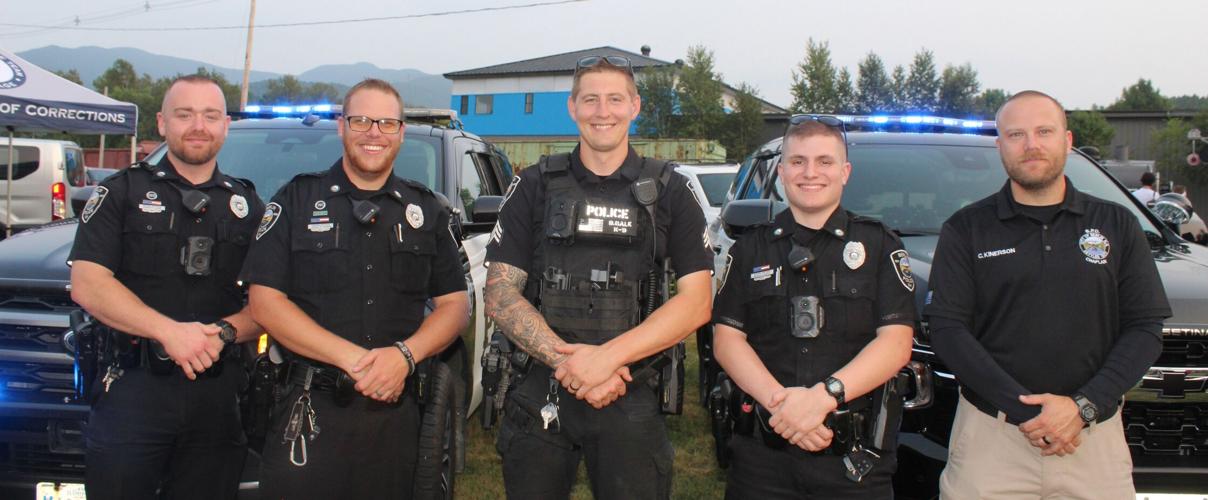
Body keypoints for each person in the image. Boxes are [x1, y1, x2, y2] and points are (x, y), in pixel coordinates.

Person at [483, 55, 713, 499]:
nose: (602, 111)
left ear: (635, 106)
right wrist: (571, 364)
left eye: (614, 99)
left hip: (631, 393)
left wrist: (608, 360)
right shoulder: (532, 184)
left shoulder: (672, 190)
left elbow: (697, 301)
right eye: (590, 99)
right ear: (572, 107)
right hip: (540, 394)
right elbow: (499, 293)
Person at [925, 90, 1172, 499]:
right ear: (1000, 145)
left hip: (1092, 442)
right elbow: (948, 332)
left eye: (1044, 131)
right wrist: (1030, 414)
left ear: (1068, 140)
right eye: (1017, 134)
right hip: (992, 442)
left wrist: (1083, 407)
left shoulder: (1116, 223)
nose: (1031, 144)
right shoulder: (966, 229)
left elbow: (1145, 328)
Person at [241, 78, 469, 498]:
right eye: (361, 120)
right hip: (307, 411)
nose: (373, 133)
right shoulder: (296, 200)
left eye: (386, 123)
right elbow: (265, 302)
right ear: (341, 127)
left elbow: (455, 304)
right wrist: (354, 360)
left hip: (394, 415)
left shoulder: (425, 211)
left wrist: (406, 355)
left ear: (400, 132)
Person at [69, 74, 264, 500]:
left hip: (219, 396)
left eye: (211, 115)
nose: (198, 125)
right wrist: (169, 332)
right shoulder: (120, 193)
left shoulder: (249, 207)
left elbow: (270, 302)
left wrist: (225, 332)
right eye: (185, 114)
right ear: (161, 123)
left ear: (225, 125)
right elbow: (87, 283)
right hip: (133, 391)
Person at [711, 116, 915, 499]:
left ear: (845, 172)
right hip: (763, 457)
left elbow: (896, 343)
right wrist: (782, 408)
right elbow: (727, 339)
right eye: (798, 161)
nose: (810, 173)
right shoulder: (751, 248)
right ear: (783, 171)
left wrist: (822, 398)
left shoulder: (880, 246)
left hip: (853, 460)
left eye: (824, 161)